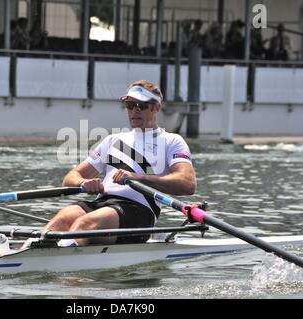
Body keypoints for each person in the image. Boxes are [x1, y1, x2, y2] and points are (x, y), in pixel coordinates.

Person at [44, 80, 197, 246]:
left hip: (139, 211)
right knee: (59, 221)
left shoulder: (171, 141)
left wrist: (138, 178)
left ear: (156, 108)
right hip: (103, 202)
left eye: (141, 105)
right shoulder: (113, 140)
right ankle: (33, 251)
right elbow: (70, 178)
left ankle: (61, 266)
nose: (134, 110)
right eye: (130, 105)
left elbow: (187, 184)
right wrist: (84, 182)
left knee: (84, 224)